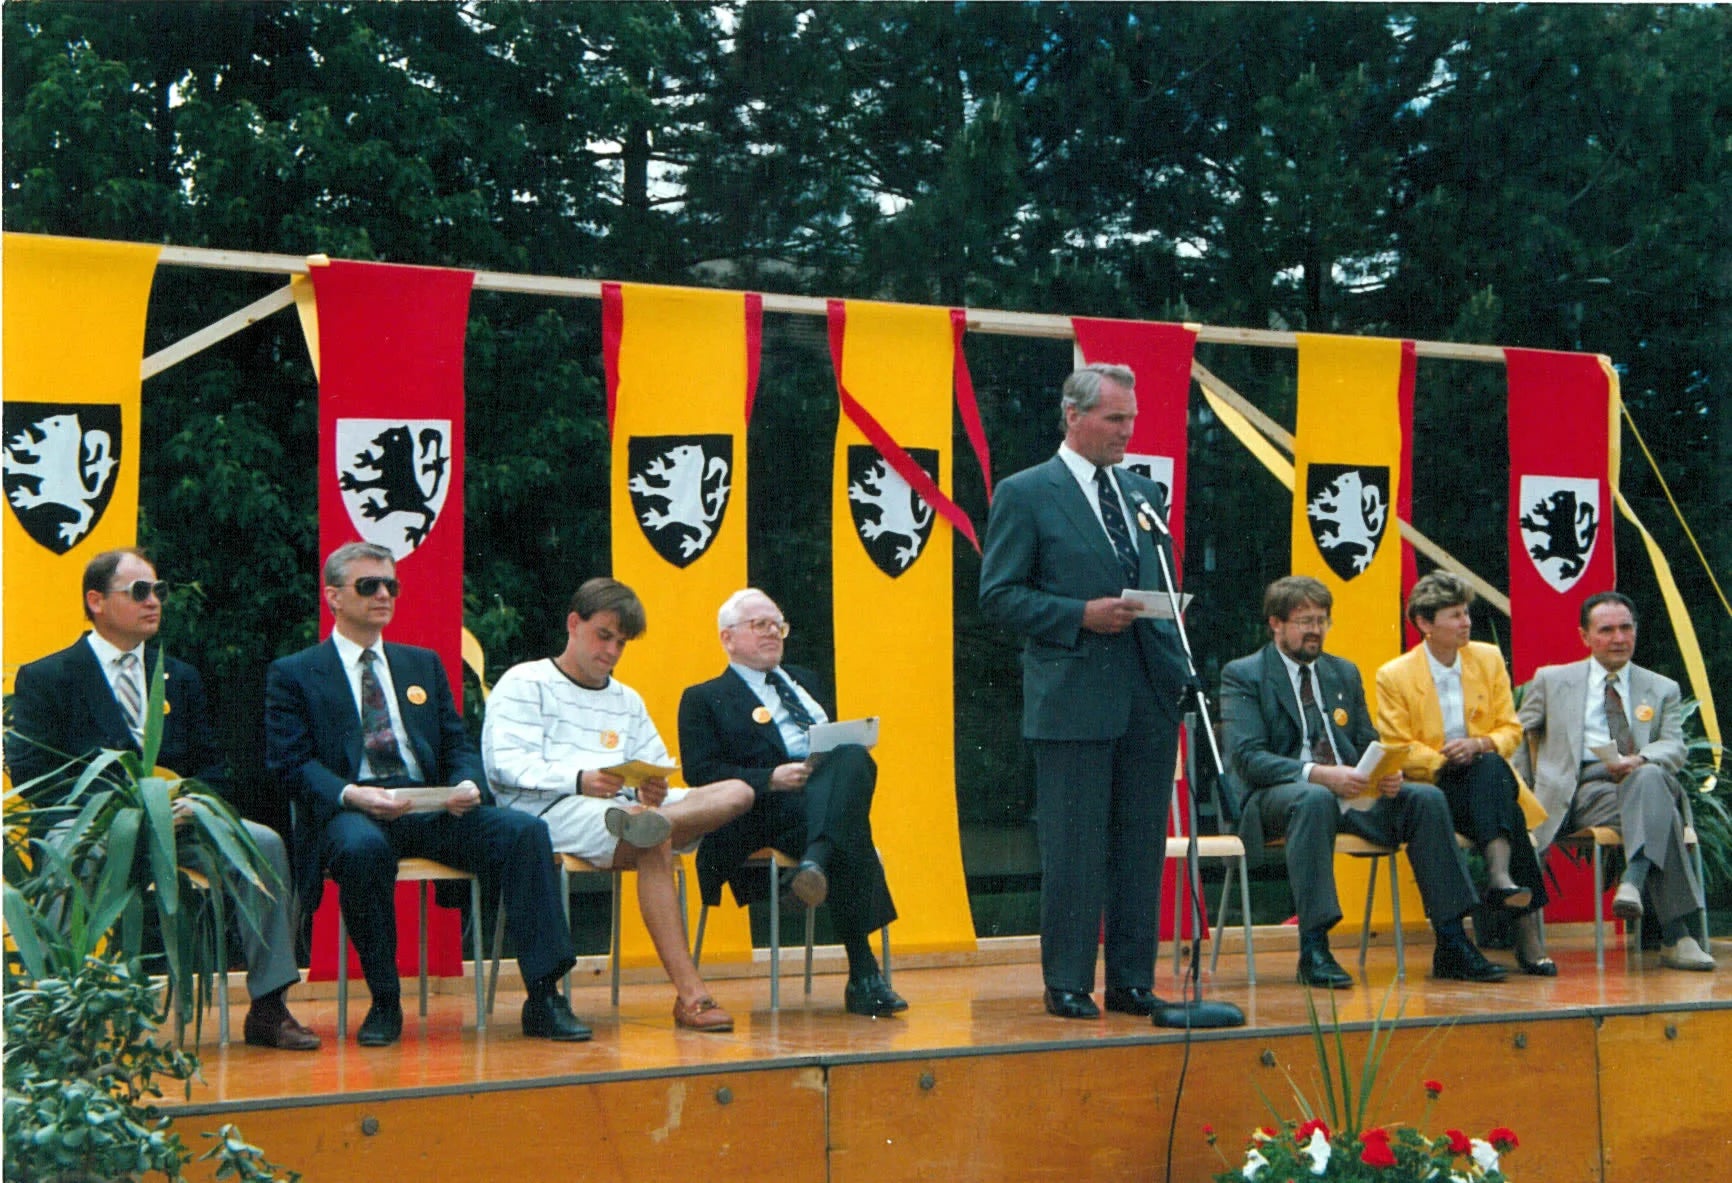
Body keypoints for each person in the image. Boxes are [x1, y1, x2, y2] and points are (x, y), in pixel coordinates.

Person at [264, 542, 586, 1046]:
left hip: (429, 804)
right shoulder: (296, 672)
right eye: (368, 585)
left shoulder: (422, 664)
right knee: (360, 850)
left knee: (525, 833)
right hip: (354, 810)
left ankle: (545, 996)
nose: (383, 594)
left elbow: (455, 743)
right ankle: (386, 1001)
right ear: (333, 597)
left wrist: (464, 784)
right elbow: (291, 765)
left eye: (391, 585)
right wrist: (353, 794)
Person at [7, 548, 319, 1050]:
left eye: (159, 591)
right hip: (91, 823)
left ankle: (268, 1006)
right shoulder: (49, 677)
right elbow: (33, 774)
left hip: (181, 823)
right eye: (139, 592)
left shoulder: (179, 676)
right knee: (65, 854)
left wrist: (199, 802)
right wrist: (119, 811)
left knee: (262, 843)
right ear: (96, 601)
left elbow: (211, 763)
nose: (154, 602)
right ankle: (62, 1007)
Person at [976, 362, 1185, 1020]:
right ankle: (1067, 978)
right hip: (1072, 697)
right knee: (1075, 848)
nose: (1128, 431)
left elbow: (1161, 573)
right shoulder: (1027, 492)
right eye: (1115, 418)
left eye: (1131, 418)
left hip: (1146, 693)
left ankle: (1130, 978)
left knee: (1139, 845)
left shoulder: (1141, 492)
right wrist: (1077, 614)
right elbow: (999, 594)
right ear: (1074, 415)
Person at [481, 577, 755, 1032]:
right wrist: (580, 779)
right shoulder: (526, 681)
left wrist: (653, 790)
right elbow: (505, 766)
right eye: (603, 636)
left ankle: (649, 823)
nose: (610, 651)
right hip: (549, 810)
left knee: (737, 792)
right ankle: (693, 996)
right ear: (574, 623)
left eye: (621, 643)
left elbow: (657, 765)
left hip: (624, 809)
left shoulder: (627, 699)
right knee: (651, 837)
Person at [1220, 575, 1505, 987]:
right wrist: (1320, 774)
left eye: (1322, 620)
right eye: (1304, 620)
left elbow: (1366, 740)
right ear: (1276, 624)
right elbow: (1248, 758)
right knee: (1314, 798)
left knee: (1424, 799)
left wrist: (1383, 771)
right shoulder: (1245, 674)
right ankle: (1314, 947)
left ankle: (1451, 940)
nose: (1315, 629)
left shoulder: (1342, 672)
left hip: (1350, 791)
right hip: (1276, 798)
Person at [677, 588, 905, 1017]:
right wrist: (770, 778)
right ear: (728, 638)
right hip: (758, 811)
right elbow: (700, 773)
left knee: (853, 756)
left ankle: (814, 864)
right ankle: (863, 974)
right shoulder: (704, 697)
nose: (773, 633)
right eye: (759, 625)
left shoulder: (807, 681)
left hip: (815, 807)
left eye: (777, 625)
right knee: (847, 828)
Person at [1516, 591, 1714, 971]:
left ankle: (1634, 882)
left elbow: (1674, 746)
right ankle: (1677, 935)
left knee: (1651, 776)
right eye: (1606, 630)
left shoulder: (1661, 687)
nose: (1618, 638)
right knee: (1660, 810)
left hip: (1639, 780)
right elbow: (1515, 737)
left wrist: (1640, 758)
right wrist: (1521, 792)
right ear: (1584, 636)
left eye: (1626, 628)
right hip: (1581, 790)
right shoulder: (1553, 680)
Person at [1374, 572, 1553, 975]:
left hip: (1485, 778)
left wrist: (1479, 744)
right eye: (1454, 615)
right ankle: (1522, 924)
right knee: (1505, 805)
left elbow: (1510, 728)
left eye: (1467, 613)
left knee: (1489, 767)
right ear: (1424, 623)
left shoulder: (1486, 658)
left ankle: (1500, 875)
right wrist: (1444, 758)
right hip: (1434, 787)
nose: (1466, 622)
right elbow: (1397, 744)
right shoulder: (1395, 675)